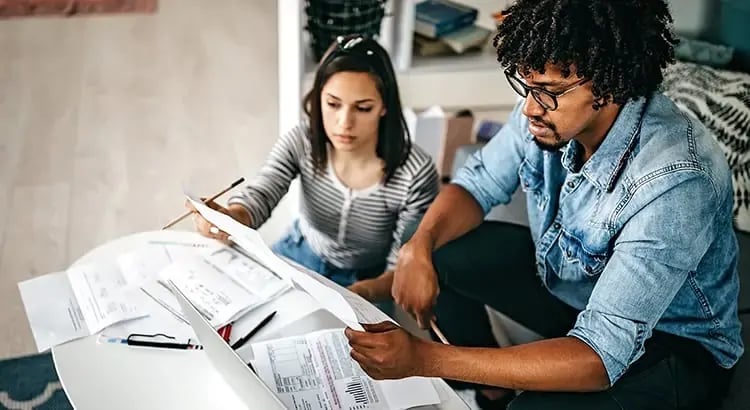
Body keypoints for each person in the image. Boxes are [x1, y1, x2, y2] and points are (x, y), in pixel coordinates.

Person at [344, 1, 744, 409]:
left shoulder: (676, 181)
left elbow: (600, 355)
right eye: (527, 87)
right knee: (430, 237)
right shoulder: (545, 110)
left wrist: (425, 359)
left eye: (550, 93)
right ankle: (492, 392)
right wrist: (419, 246)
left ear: (612, 83)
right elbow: (477, 183)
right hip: (575, 289)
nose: (531, 108)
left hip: (672, 346)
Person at [190, 34, 439, 291]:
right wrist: (231, 220)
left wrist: (358, 295)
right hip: (299, 253)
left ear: (384, 107)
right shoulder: (302, 141)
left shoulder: (415, 174)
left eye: (363, 108)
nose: (344, 123)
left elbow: (402, 266)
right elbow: (262, 194)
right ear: (318, 98)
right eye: (332, 104)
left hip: (370, 281)